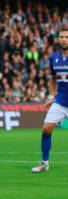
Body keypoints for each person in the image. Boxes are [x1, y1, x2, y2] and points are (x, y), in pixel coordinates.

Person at [32, 28, 68, 173]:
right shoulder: (54, 57)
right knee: (46, 129)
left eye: (66, 37)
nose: (64, 39)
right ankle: (44, 164)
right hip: (60, 100)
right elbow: (53, 78)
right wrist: (52, 97)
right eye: (61, 37)